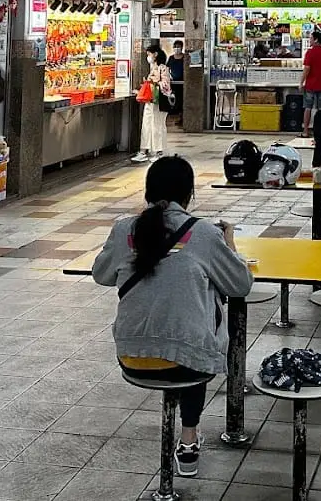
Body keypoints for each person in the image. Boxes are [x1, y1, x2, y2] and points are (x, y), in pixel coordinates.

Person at [92, 155, 252, 479]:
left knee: (183, 328)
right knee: (194, 331)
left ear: (148, 191)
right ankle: (189, 438)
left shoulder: (125, 229)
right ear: (188, 194)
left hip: (133, 356)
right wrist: (229, 242)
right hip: (186, 364)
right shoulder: (204, 233)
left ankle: (185, 437)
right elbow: (240, 284)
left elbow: (101, 274)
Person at [133, 45, 173, 163]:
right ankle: (143, 150)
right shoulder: (153, 68)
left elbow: (165, 85)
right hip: (150, 101)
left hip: (159, 102)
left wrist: (155, 82)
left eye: (149, 54)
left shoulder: (163, 68)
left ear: (155, 54)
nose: (148, 57)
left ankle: (159, 152)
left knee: (157, 126)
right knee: (146, 125)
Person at [167, 40, 186, 127]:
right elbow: (167, 68)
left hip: (184, 82)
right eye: (175, 47)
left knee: (182, 100)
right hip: (174, 82)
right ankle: (178, 116)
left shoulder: (185, 57)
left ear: (182, 47)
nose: (177, 49)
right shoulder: (171, 58)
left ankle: (182, 117)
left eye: (178, 47)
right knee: (176, 100)